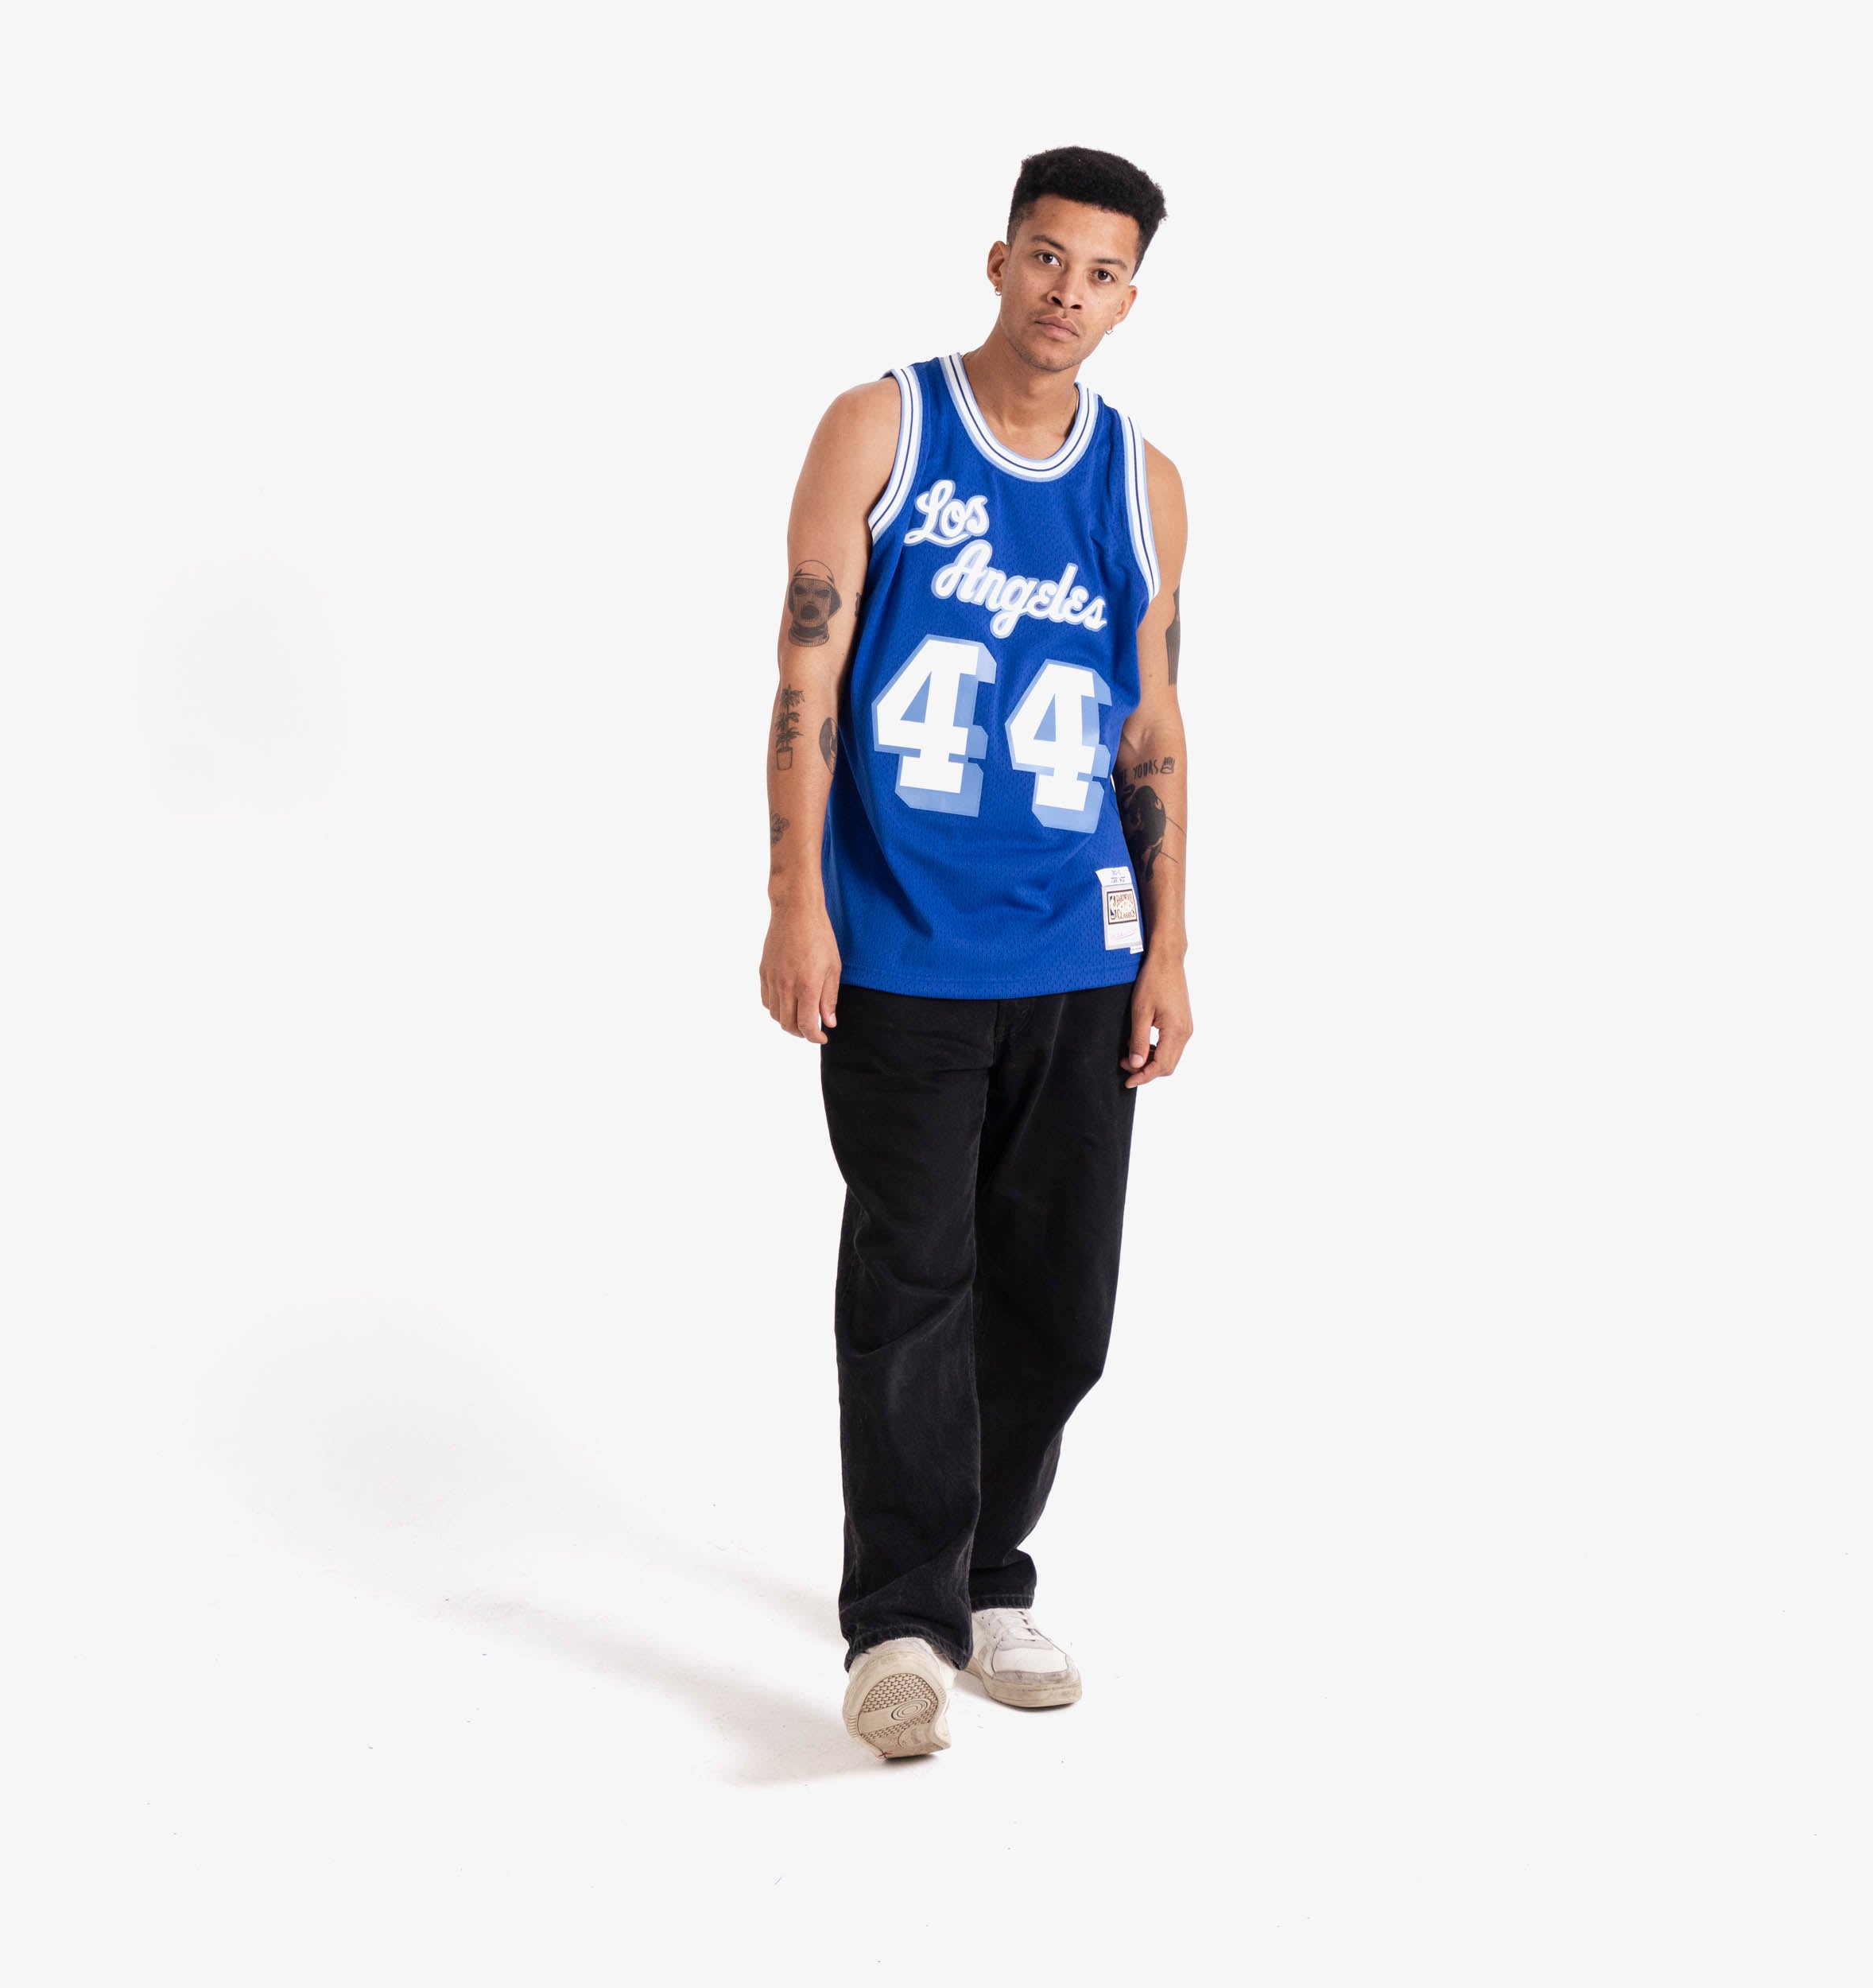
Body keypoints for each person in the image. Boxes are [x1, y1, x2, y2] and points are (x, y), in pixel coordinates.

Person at [758, 146, 1192, 1761]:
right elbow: (805, 675)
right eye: (1047, 257)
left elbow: (1152, 726)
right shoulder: (881, 428)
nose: (1068, 292)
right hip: (902, 945)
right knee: (912, 1285)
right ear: (1000, 260)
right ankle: (900, 1623)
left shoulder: (1143, 482)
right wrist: (794, 897)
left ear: (1130, 297)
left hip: (1080, 950)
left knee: (1060, 1305)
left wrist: (1168, 945)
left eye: (1102, 272)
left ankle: (986, 1574)